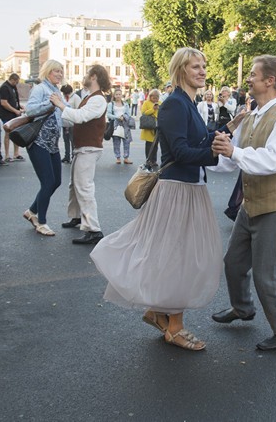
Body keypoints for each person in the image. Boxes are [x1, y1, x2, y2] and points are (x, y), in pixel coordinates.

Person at [91, 47, 230, 352]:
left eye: (204, 66)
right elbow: (180, 152)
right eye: (196, 66)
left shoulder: (188, 103)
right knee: (179, 259)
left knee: (178, 256)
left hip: (189, 189)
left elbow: (198, 141)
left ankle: (158, 312)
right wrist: (212, 153)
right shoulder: (174, 105)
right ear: (181, 70)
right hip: (177, 191)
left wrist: (227, 130)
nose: (202, 71)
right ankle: (175, 328)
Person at [210, 55, 276, 351]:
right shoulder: (252, 115)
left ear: (270, 81)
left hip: (274, 206)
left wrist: (233, 152)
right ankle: (243, 308)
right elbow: (234, 160)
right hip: (251, 204)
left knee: (266, 276)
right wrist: (209, 161)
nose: (248, 79)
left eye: (253, 75)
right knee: (233, 263)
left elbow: (273, 161)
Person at [51, 64, 110, 245]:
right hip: (84, 147)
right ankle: (76, 216)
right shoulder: (91, 97)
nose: (84, 76)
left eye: (87, 74)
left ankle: (93, 229)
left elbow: (80, 117)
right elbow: (76, 116)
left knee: (84, 187)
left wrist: (60, 105)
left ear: (94, 77)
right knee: (74, 185)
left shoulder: (98, 99)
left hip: (89, 148)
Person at [23, 59, 65, 237]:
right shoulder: (40, 89)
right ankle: (41, 222)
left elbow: (65, 111)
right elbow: (30, 110)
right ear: (48, 72)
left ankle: (31, 211)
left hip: (52, 144)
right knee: (47, 182)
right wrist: (50, 104)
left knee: (56, 181)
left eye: (61, 71)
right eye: (56, 71)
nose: (60, 74)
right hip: (38, 142)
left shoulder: (57, 91)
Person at [0, 73, 24, 162]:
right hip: (7, 114)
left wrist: (19, 106)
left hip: (14, 114)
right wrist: (15, 110)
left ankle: (16, 153)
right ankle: (6, 155)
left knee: (16, 133)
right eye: (16, 82)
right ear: (12, 80)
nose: (16, 84)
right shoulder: (4, 88)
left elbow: (14, 100)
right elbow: (4, 102)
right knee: (8, 133)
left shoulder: (13, 87)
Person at [107, 88, 133, 164]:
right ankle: (118, 157)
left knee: (126, 142)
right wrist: (117, 117)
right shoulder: (111, 104)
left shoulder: (125, 104)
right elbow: (108, 114)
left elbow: (129, 114)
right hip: (115, 125)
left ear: (122, 95)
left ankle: (126, 158)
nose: (118, 96)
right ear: (114, 95)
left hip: (125, 124)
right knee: (116, 142)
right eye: (117, 94)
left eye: (119, 94)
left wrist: (124, 117)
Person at [60, 84, 80, 163]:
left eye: (65, 93)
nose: (65, 94)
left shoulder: (75, 97)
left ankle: (73, 156)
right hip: (64, 122)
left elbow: (78, 109)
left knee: (73, 140)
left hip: (72, 122)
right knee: (66, 140)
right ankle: (67, 156)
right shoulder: (63, 98)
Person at [140, 89, 160, 166]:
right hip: (149, 126)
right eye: (154, 97)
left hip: (157, 126)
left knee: (155, 145)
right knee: (149, 145)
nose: (155, 99)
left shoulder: (160, 103)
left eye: (157, 97)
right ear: (150, 97)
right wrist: (153, 109)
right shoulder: (146, 103)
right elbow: (144, 113)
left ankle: (154, 160)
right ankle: (148, 160)